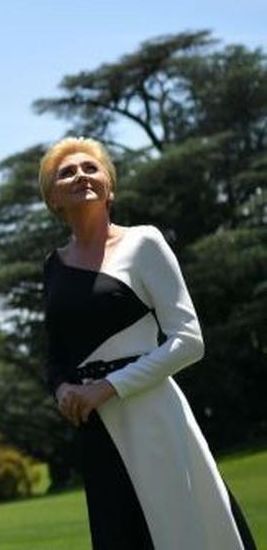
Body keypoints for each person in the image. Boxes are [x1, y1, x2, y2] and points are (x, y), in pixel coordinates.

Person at [40, 137, 257, 550]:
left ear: (110, 186)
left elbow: (189, 340)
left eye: (91, 167)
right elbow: (55, 356)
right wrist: (64, 389)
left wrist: (107, 387)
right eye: (66, 172)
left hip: (152, 414)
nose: (80, 175)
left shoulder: (144, 242)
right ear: (53, 197)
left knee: (180, 531)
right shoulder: (53, 265)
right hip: (95, 426)